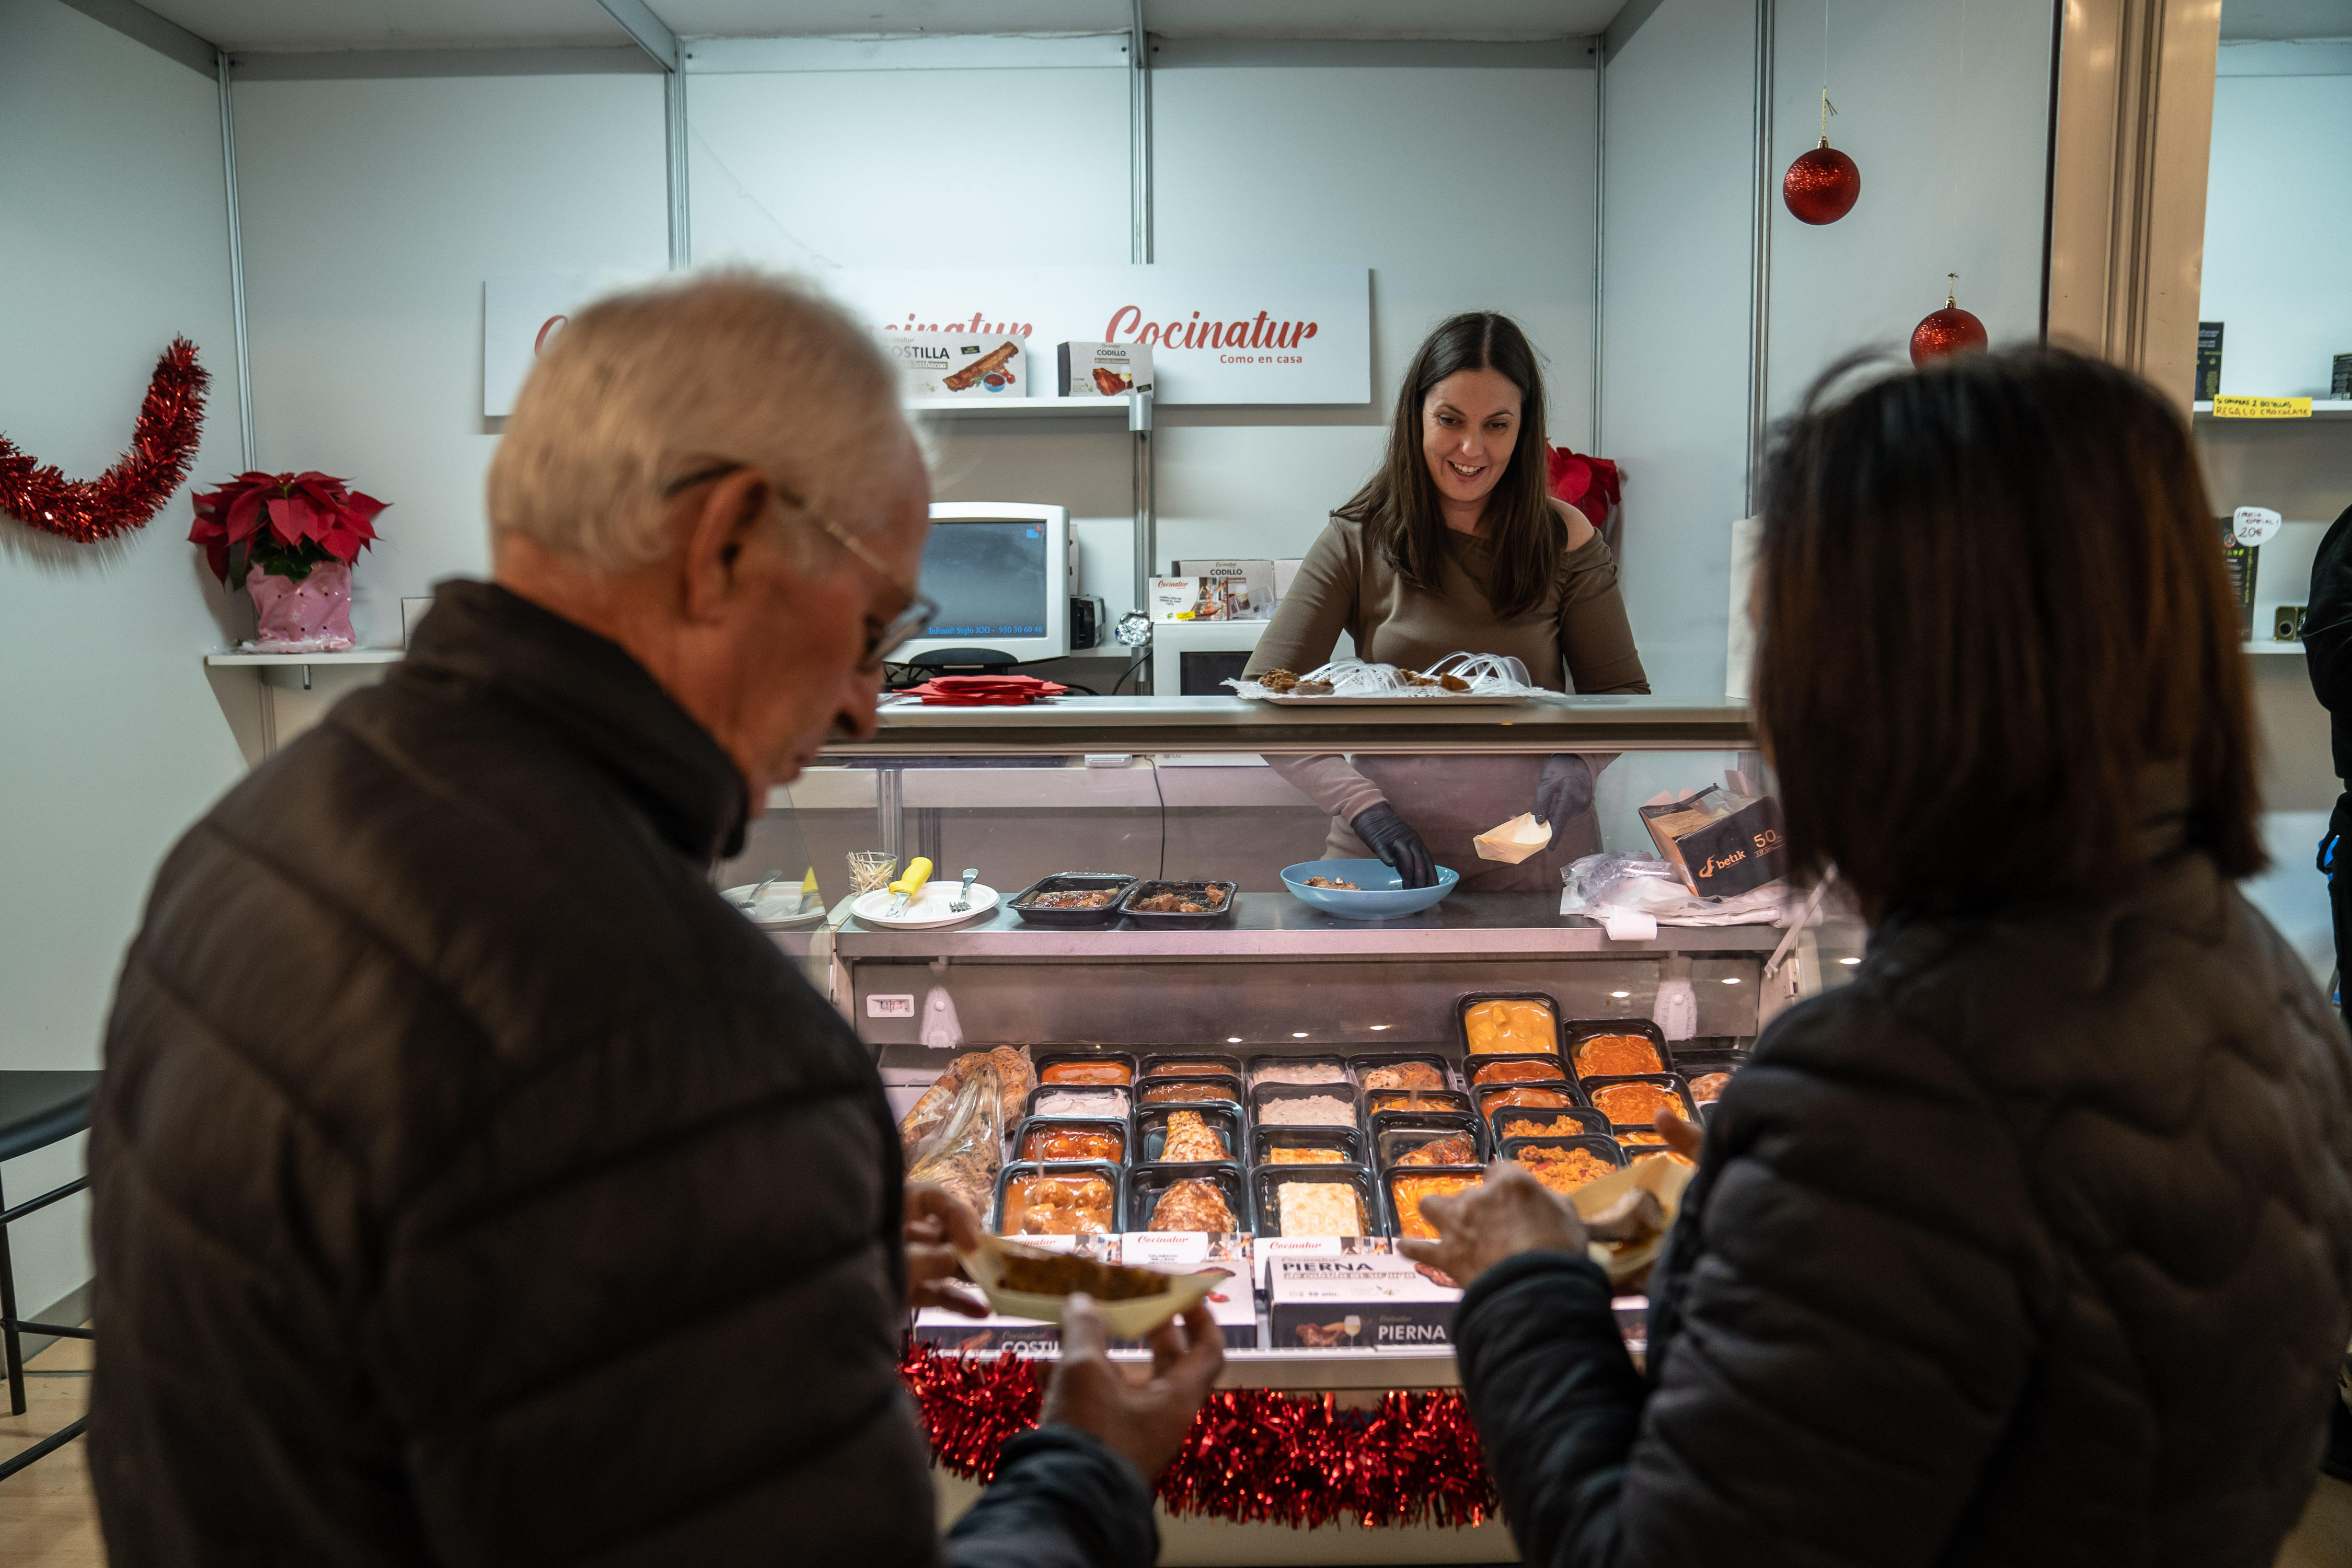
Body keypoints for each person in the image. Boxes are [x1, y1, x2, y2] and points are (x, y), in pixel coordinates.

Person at [86, 273, 1220, 1567]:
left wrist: (796, 1275)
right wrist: (1086, 1468)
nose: (866, 707)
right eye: (871, 627)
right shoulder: (701, 1051)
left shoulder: (249, 835)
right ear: (724, 540)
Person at [1402, 347, 2352, 1565]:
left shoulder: (1890, 1097)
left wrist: (1527, 1282)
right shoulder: (2264, 982)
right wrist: (1754, 1206)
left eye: (1781, 634)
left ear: (1896, 673)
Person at [1243, 311, 1648, 893]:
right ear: (1416, 419)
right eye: (1450, 420)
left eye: (1498, 425)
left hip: (1535, 857)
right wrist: (1364, 808)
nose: (1471, 448)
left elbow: (1623, 698)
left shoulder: (1568, 537)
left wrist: (1579, 760)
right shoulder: (1357, 538)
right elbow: (1262, 698)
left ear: (1524, 429)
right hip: (1384, 866)